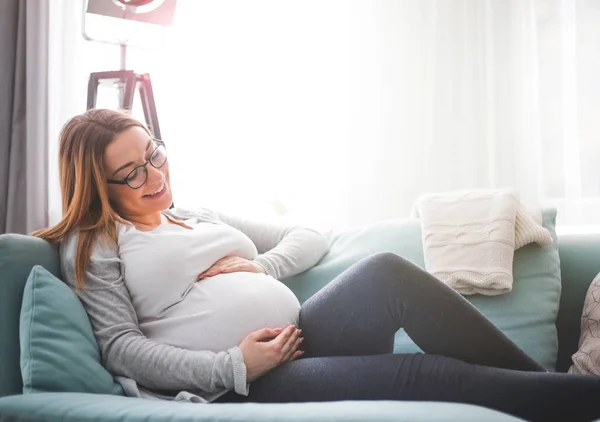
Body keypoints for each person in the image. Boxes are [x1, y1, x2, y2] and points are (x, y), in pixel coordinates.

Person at [34, 109, 600, 422]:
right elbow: (121, 348)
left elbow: (306, 233)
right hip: (238, 385)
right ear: (97, 185)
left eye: (153, 153)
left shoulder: (193, 212)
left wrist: (264, 271)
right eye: (132, 173)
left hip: (299, 334)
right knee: (427, 375)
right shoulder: (95, 244)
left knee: (385, 272)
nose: (154, 176)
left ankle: (547, 387)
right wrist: (233, 366)